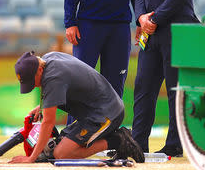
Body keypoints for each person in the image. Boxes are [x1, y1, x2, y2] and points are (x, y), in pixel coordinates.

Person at [132, 0, 199, 157]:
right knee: (143, 88)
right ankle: (138, 144)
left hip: (176, 33)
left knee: (174, 90)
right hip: (150, 33)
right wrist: (141, 17)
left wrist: (154, 18)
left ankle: (175, 145)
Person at [9, 51, 144, 163]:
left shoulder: (53, 78)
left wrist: (31, 158)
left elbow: (48, 122)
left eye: (32, 82)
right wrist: (43, 106)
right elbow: (64, 87)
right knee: (59, 147)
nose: (33, 86)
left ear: (39, 69)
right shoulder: (49, 59)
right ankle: (116, 139)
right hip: (95, 111)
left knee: (62, 154)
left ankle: (119, 140)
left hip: (107, 113)